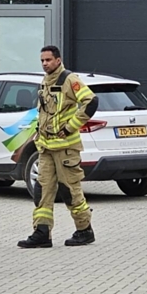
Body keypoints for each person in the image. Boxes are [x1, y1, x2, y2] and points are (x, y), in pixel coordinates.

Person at [18, 45, 99, 248]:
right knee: (42, 191)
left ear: (58, 60)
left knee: (69, 190)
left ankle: (84, 230)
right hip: (45, 148)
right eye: (42, 60)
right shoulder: (45, 81)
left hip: (65, 149)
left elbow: (91, 102)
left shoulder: (69, 80)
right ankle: (42, 232)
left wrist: (71, 126)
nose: (45, 63)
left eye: (48, 60)